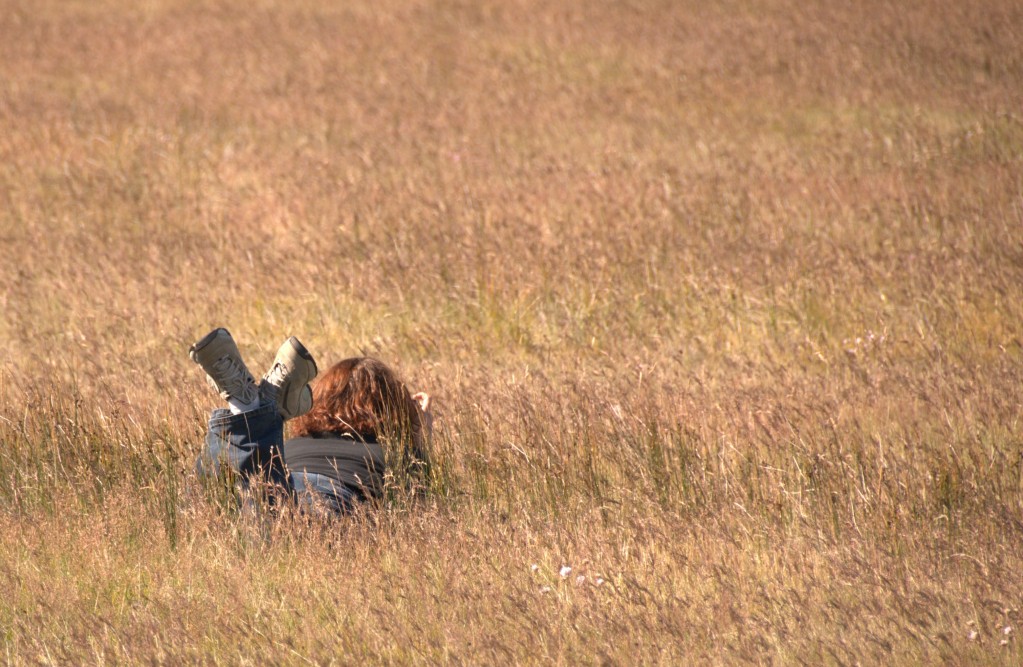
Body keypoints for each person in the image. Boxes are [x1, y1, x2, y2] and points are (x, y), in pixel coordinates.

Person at [190, 327, 431, 515]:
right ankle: (249, 406)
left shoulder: (293, 443)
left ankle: (253, 407)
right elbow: (417, 504)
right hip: (331, 499)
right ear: (395, 410)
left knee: (211, 500)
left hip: (287, 479)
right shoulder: (394, 455)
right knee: (272, 527)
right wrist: (420, 436)